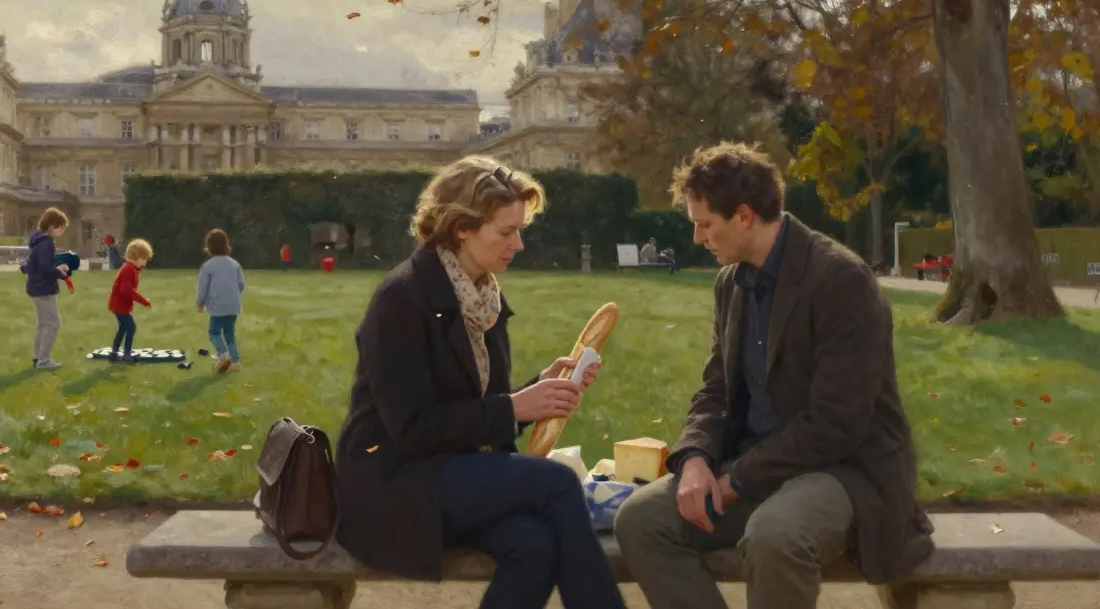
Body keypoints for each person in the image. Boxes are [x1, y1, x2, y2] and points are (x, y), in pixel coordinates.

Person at [613, 142, 934, 609]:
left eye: (705, 225)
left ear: (743, 216)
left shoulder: (841, 281)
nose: (698, 239)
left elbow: (837, 424)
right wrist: (696, 460)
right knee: (641, 520)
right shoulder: (731, 282)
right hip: (754, 463)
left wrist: (737, 478)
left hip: (842, 470)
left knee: (774, 537)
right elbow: (715, 390)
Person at [335, 155, 626, 609]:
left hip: (455, 473)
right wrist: (515, 408)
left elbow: (476, 404)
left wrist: (541, 388)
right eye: (506, 232)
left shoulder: (481, 296)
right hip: (397, 483)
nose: (519, 245)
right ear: (461, 229)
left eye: (519, 230)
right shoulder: (401, 299)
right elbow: (411, 430)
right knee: (557, 484)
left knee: (534, 544)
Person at [25, 208, 71, 370]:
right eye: (61, 227)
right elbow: (45, 268)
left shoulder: (38, 241)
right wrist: (62, 274)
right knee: (53, 323)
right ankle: (43, 360)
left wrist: (57, 268)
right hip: (43, 288)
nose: (62, 231)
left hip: (36, 287)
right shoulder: (46, 242)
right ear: (52, 226)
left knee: (43, 323)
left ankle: (37, 357)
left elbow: (34, 265)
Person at [196, 228, 246, 374]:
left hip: (217, 306)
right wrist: (233, 295)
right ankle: (235, 362)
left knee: (214, 332)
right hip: (233, 306)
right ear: (226, 245)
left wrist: (200, 303)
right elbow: (241, 284)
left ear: (209, 247)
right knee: (230, 334)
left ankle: (223, 355)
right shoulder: (234, 264)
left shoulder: (208, 266)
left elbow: (203, 287)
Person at [107, 239, 153, 363]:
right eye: (143, 259)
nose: (145, 263)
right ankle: (126, 354)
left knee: (123, 328)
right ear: (136, 257)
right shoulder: (128, 269)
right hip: (120, 306)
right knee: (131, 327)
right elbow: (127, 291)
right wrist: (144, 300)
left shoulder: (130, 268)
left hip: (118, 305)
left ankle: (114, 353)